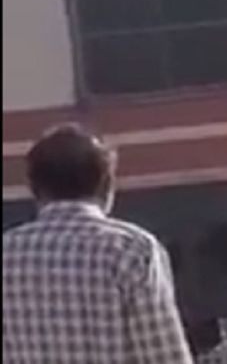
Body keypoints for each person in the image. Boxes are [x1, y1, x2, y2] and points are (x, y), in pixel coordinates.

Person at [2, 124, 193, 363]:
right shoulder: (132, 250)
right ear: (107, 185)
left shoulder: (7, 253)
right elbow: (164, 357)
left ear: (34, 188)